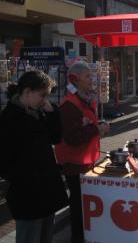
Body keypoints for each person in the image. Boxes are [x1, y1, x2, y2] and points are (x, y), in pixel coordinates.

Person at [0, 70, 68, 243]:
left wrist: (52, 114)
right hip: (28, 195)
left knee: (45, 236)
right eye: (42, 95)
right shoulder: (9, 118)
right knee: (29, 237)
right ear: (27, 92)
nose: (45, 99)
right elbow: (4, 162)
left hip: (46, 191)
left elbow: (55, 138)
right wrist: (27, 177)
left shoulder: (38, 112)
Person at [55, 61, 109, 243]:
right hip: (74, 164)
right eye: (87, 76)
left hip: (83, 161)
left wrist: (97, 127)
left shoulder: (81, 99)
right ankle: (77, 238)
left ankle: (82, 236)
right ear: (75, 80)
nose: (91, 79)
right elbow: (72, 138)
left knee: (81, 204)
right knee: (78, 206)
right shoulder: (70, 104)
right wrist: (97, 130)